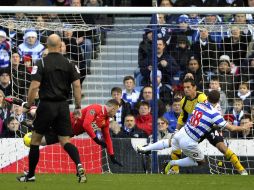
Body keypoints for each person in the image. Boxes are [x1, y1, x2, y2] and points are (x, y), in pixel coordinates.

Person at [139, 78, 249, 175]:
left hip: (209, 127)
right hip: (195, 129)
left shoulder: (201, 98)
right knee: (174, 142)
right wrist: (177, 129)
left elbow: (209, 113)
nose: (186, 89)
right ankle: (174, 169)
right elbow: (183, 116)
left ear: (194, 88)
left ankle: (241, 170)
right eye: (184, 87)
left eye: (188, 87)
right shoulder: (184, 101)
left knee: (222, 147)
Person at [17, 34, 86, 183]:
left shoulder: (40, 62)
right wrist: (78, 106)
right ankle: (79, 166)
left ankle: (31, 175)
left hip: (46, 105)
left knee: (35, 141)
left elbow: (34, 86)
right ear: (61, 45)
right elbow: (77, 86)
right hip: (63, 105)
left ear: (46, 46)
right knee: (65, 141)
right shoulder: (70, 63)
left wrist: (28, 105)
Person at [164, 90, 252, 174]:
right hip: (203, 128)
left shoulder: (200, 104)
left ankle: (175, 168)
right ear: (218, 101)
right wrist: (244, 127)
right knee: (219, 149)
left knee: (221, 147)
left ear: (207, 97)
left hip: (205, 128)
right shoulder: (213, 112)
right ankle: (241, 170)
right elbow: (231, 128)